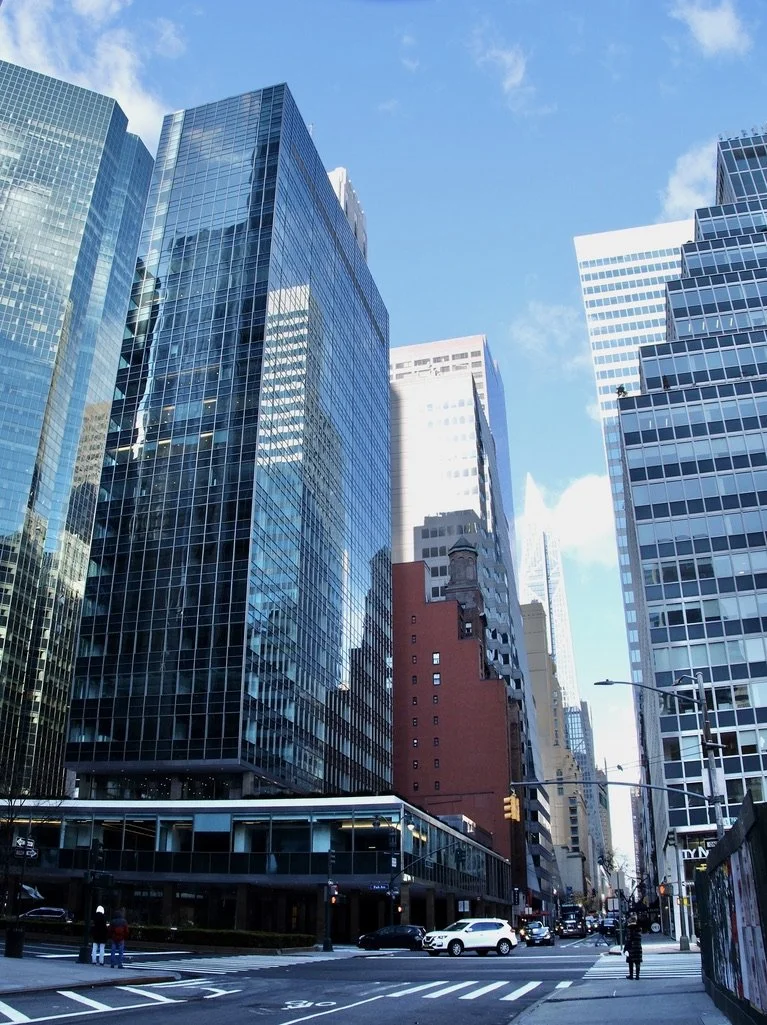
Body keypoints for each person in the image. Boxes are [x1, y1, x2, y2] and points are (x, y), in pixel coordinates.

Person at [623, 914, 643, 979]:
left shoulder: (629, 928)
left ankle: (631, 975)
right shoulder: (639, 928)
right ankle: (637, 975)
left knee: (630, 962)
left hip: (631, 946)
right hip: (638, 946)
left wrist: (625, 948)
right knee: (637, 962)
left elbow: (628, 939)